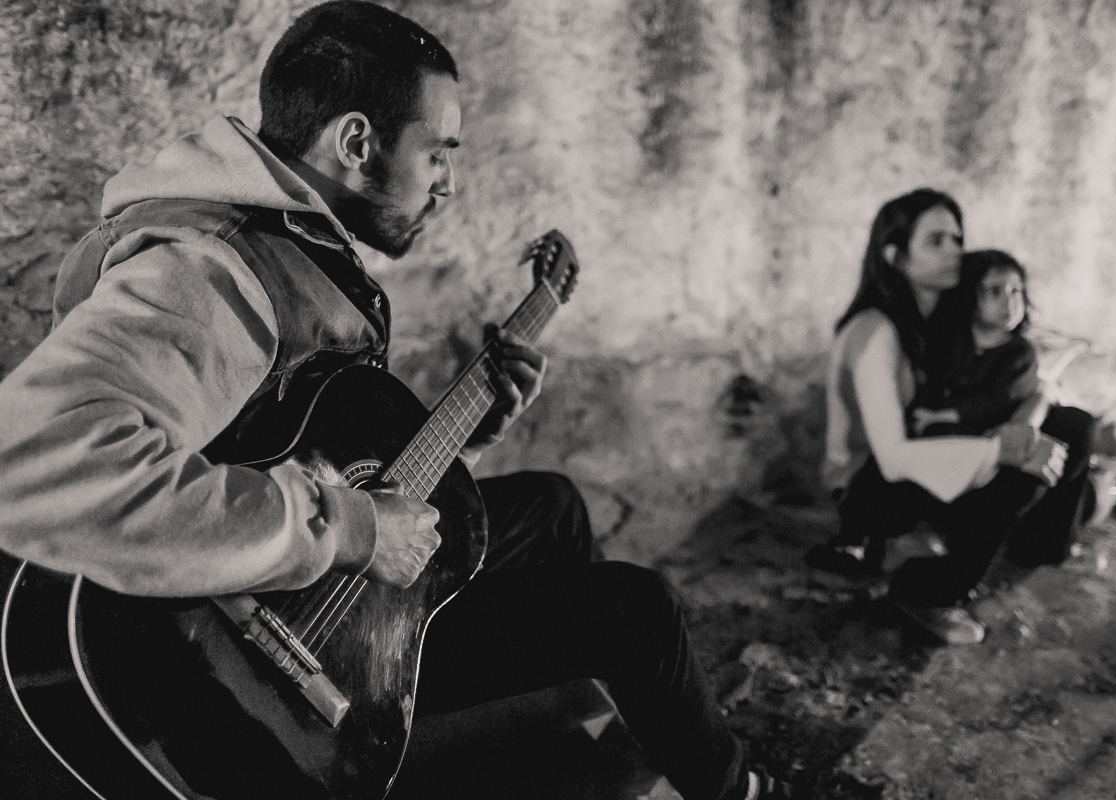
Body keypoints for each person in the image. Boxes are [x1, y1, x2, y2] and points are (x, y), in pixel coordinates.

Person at [0, 3, 794, 799]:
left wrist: (467, 440)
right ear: (355, 144)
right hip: (280, 654)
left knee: (551, 507)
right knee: (637, 608)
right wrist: (351, 529)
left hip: (313, 588)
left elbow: (281, 439)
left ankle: (574, 735)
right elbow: (29, 464)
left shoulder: (293, 239)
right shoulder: (209, 270)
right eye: (439, 151)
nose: (449, 182)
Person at [807, 188, 1092, 645]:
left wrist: (1028, 418)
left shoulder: (933, 320)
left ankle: (1037, 546)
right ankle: (928, 590)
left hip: (923, 455)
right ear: (896, 257)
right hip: (870, 484)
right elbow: (894, 457)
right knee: (1025, 464)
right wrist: (1006, 448)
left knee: (1072, 426)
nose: (955, 250)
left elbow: (1022, 383)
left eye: (957, 238)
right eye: (936, 241)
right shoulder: (876, 332)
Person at [911, 249, 1046, 438]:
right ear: (968, 296)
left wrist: (939, 416)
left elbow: (996, 403)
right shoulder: (952, 340)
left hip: (990, 432)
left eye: (1015, 290)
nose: (1009, 302)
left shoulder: (1021, 353)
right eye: (994, 291)